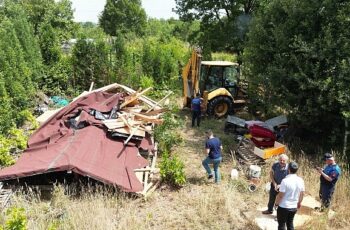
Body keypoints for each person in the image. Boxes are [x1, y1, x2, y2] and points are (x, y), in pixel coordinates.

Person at [275, 162, 305, 230]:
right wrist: (299, 203)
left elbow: (280, 196)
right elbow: (302, 194)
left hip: (284, 207)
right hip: (294, 207)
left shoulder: (285, 181)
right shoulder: (301, 180)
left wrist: (276, 204)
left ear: (288, 170)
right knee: (290, 224)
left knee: (282, 225)